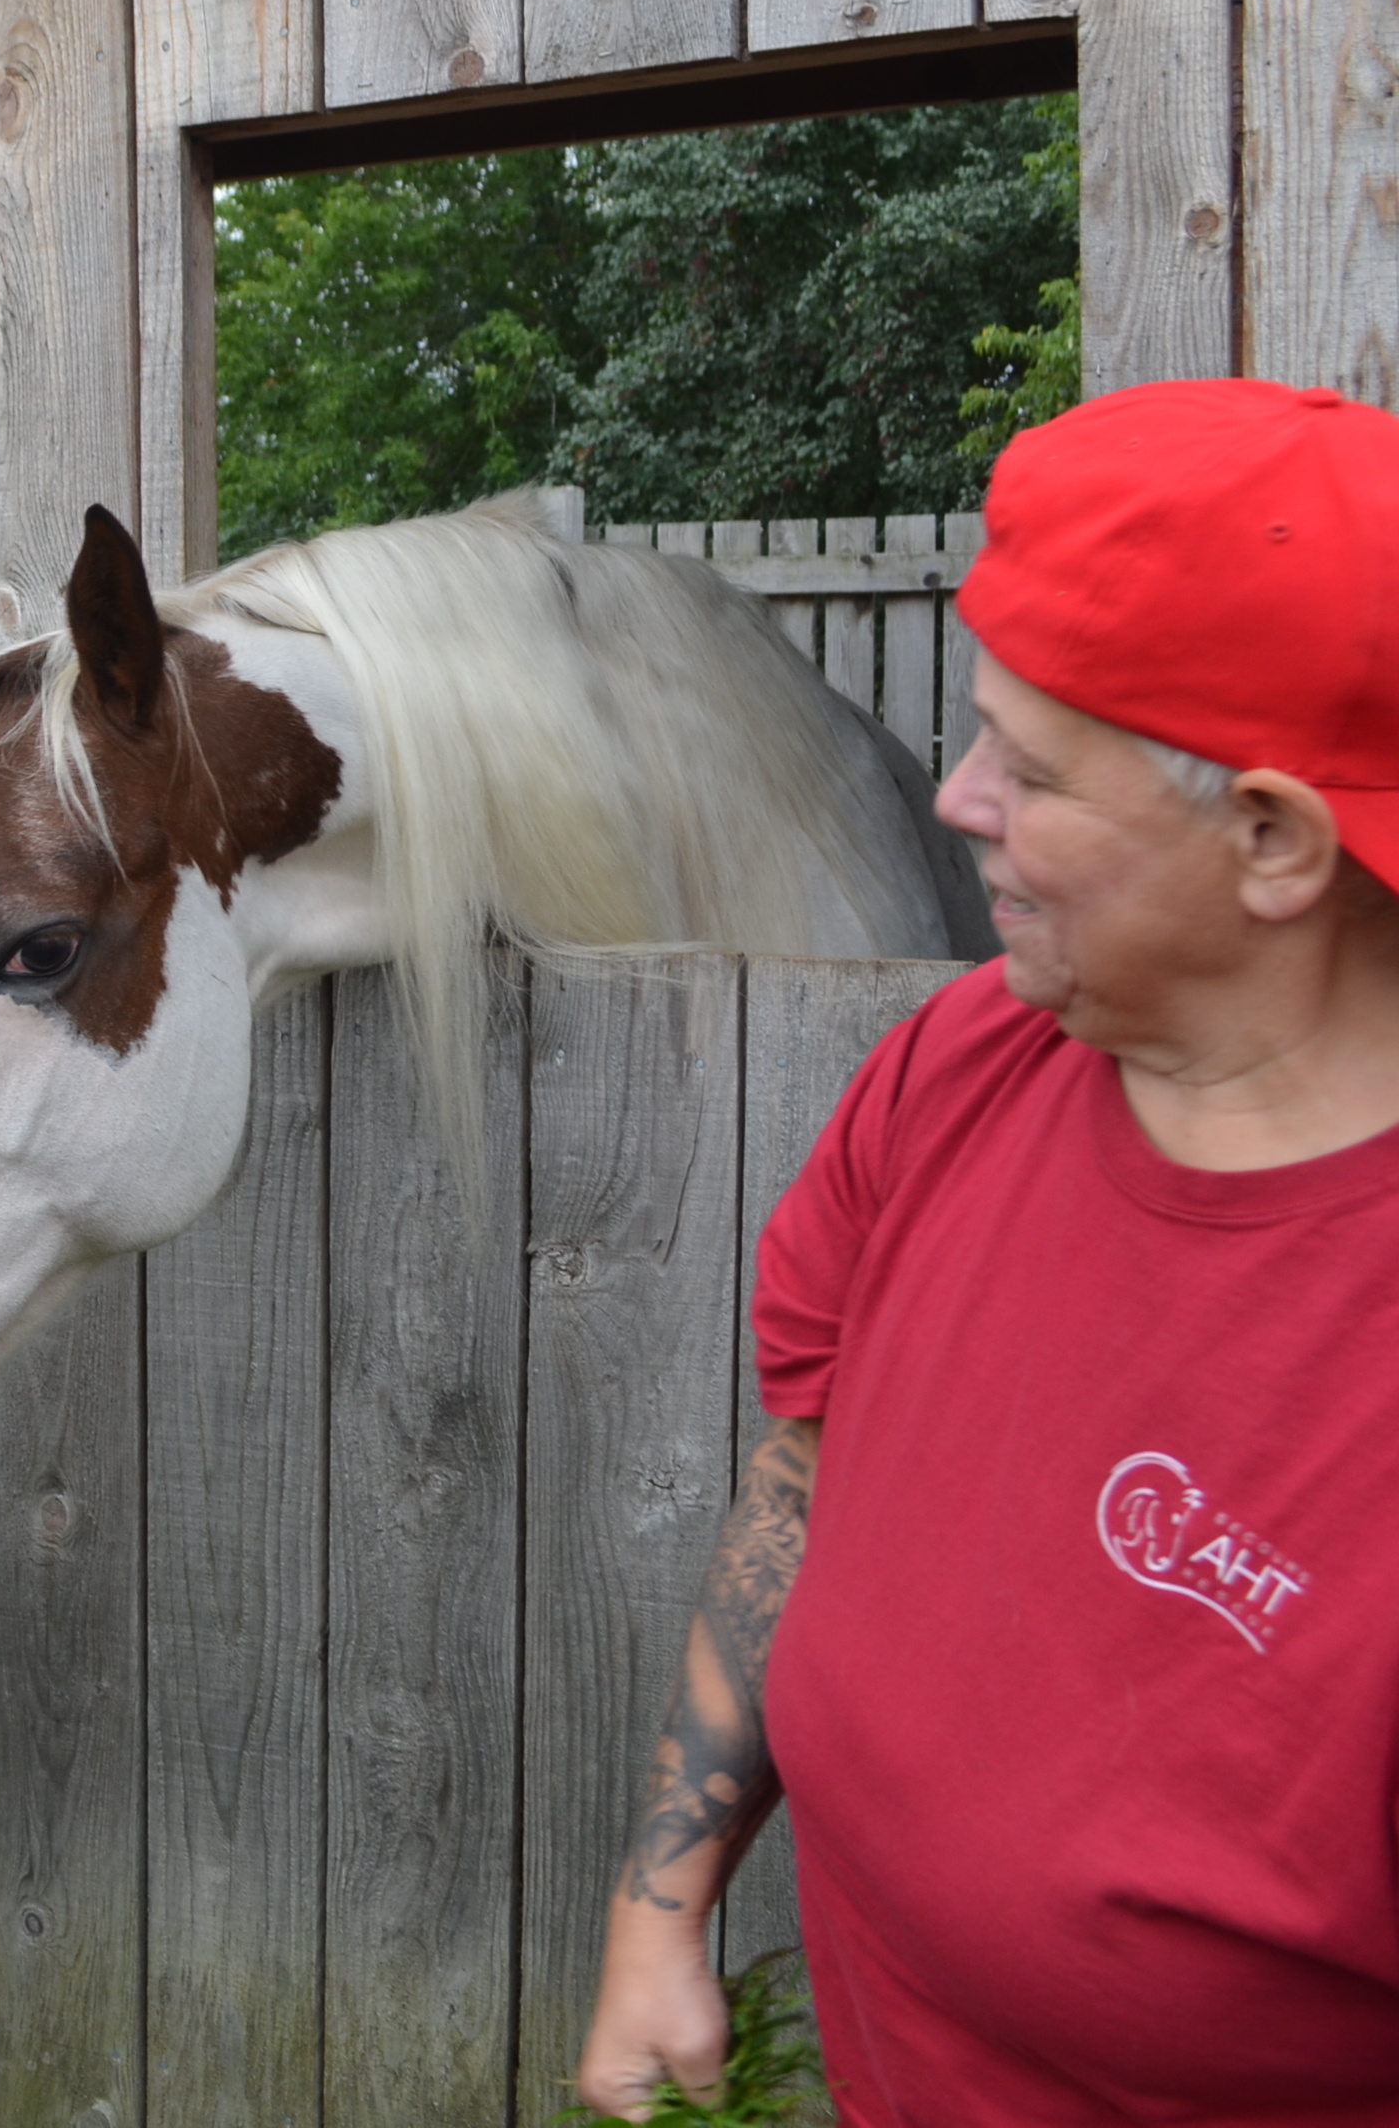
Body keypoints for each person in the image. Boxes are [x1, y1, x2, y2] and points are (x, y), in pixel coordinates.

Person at [576, 378, 1399, 2124]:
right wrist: (662, 1910)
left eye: (1030, 768)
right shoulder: (963, 1065)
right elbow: (808, 1472)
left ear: (1272, 841)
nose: (956, 798)